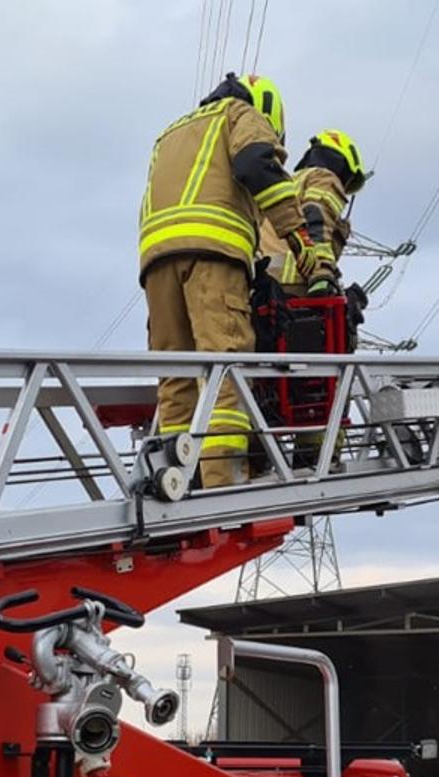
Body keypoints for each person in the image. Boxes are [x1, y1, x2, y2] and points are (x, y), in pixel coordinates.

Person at [139, 73, 318, 488]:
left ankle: (179, 482)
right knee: (226, 371)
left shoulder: (169, 133)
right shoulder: (240, 114)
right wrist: (298, 238)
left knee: (176, 379)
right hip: (212, 257)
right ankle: (224, 483)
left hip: (156, 264)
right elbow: (257, 166)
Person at [255, 129, 370, 296]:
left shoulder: (286, 184)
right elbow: (317, 219)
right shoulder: (324, 178)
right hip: (294, 283)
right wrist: (322, 275)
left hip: (263, 285)